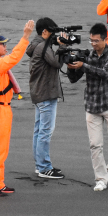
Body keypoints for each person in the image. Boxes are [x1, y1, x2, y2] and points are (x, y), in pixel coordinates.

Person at [0, 21, 36, 197]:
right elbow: (15, 57)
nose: (5, 46)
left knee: (1, 149)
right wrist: (25, 36)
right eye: (1, 44)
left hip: (1, 109)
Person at [67, 23, 108, 192]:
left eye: (96, 41)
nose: (93, 44)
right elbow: (73, 79)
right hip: (92, 105)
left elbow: (106, 73)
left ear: (105, 39)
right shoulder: (87, 56)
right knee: (95, 145)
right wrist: (70, 66)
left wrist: (83, 66)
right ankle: (101, 179)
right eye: (91, 40)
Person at [27, 17, 69, 179]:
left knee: (39, 131)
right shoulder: (42, 46)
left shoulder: (37, 45)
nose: (54, 35)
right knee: (45, 131)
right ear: (44, 32)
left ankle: (40, 165)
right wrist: (63, 46)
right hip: (45, 93)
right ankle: (44, 167)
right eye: (52, 31)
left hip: (39, 93)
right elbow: (57, 63)